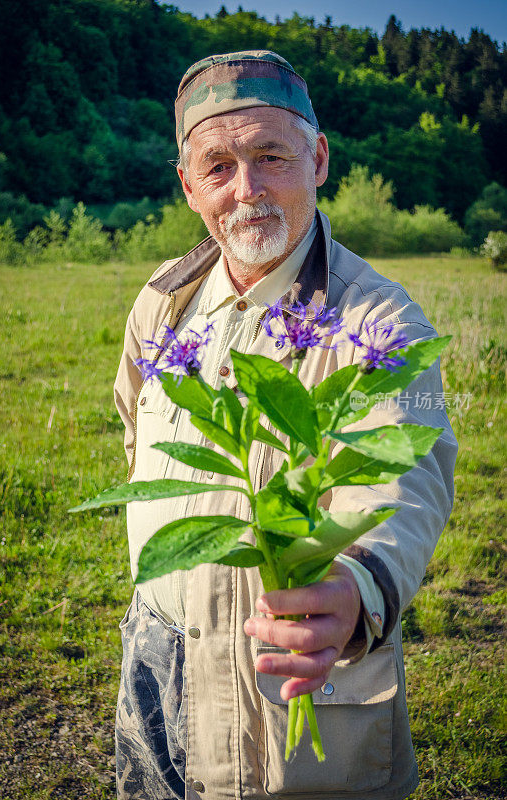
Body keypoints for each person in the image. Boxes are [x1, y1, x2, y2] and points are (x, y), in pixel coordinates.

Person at [113, 51, 457, 800]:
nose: (247, 190)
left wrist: (358, 580)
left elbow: (411, 470)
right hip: (154, 644)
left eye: (271, 156)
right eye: (219, 167)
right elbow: (136, 431)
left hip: (282, 665)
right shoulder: (163, 301)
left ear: (319, 158)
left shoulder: (378, 317)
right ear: (187, 184)